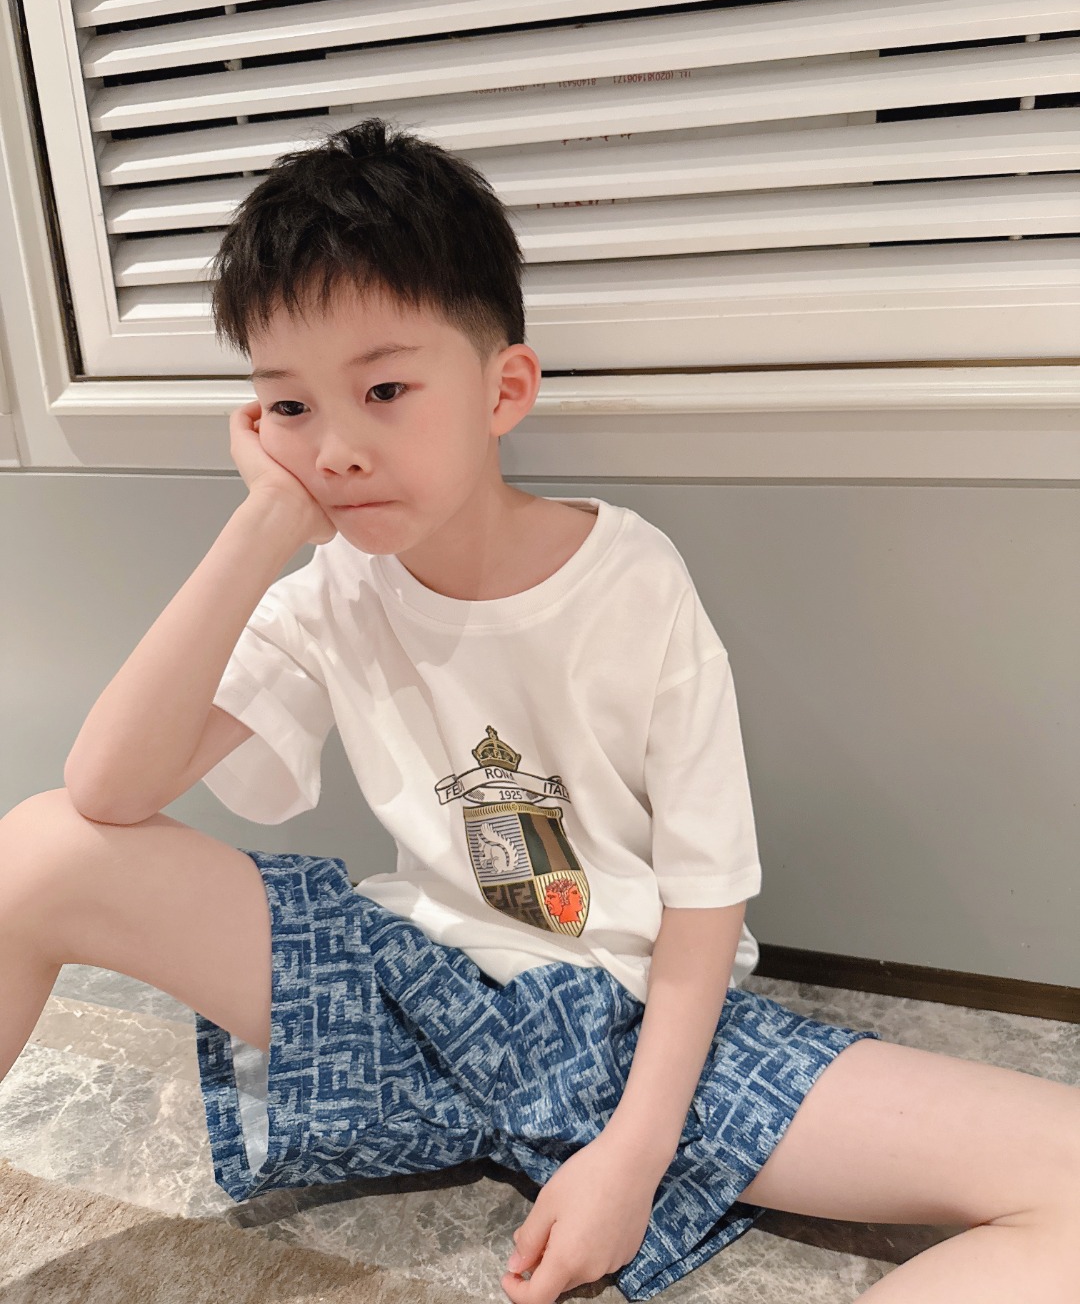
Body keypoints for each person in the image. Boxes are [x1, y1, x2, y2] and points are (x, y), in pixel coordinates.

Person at [3, 118, 1077, 1304]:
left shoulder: (633, 583)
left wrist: (633, 1156)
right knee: (36, 849)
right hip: (413, 999)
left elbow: (706, 898)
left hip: (632, 1028)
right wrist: (262, 524)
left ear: (504, 388)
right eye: (289, 408)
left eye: (385, 388)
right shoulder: (330, 590)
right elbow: (107, 791)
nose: (337, 449)